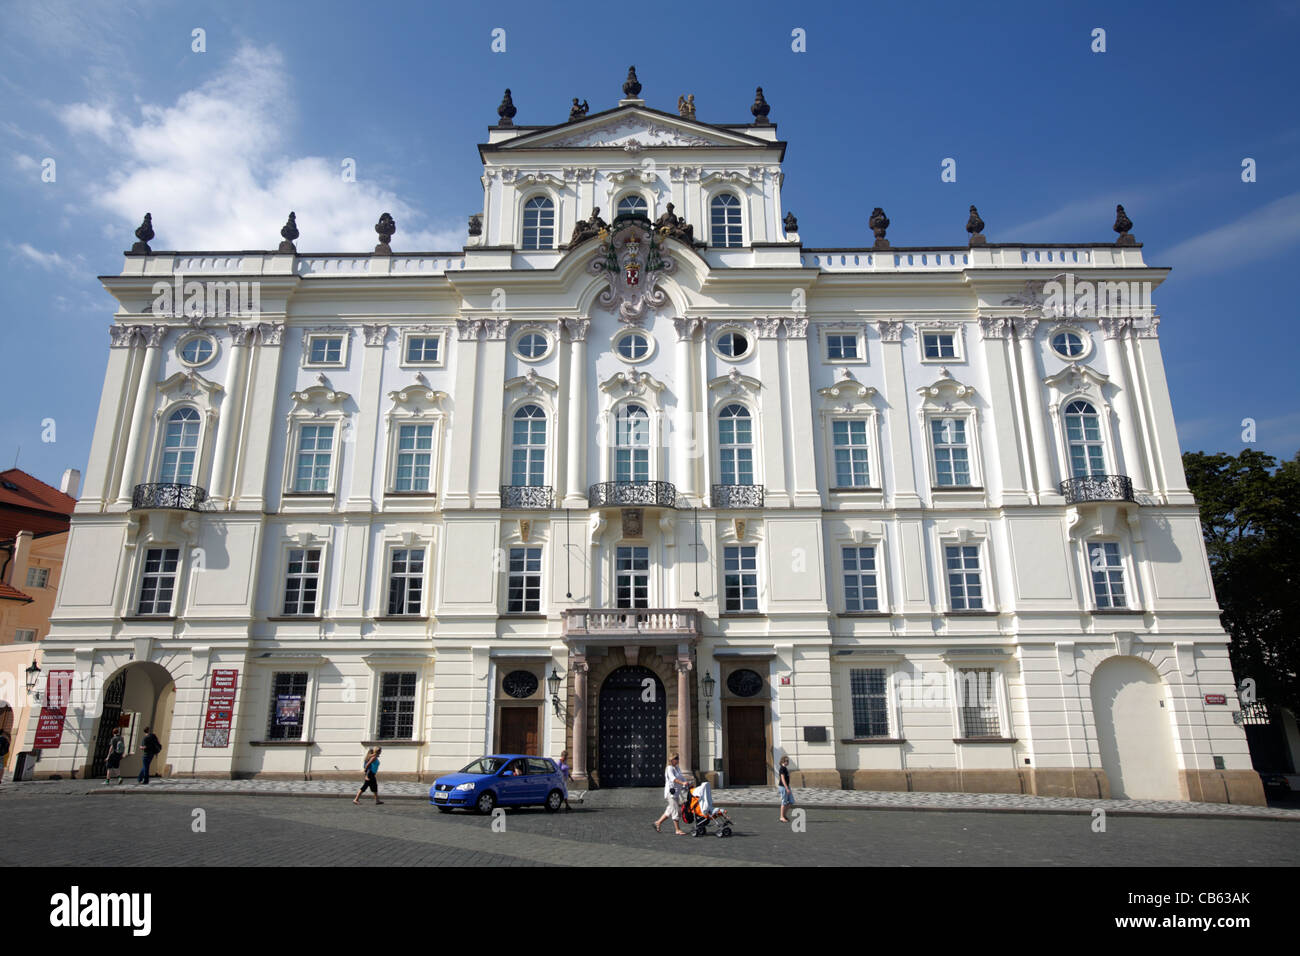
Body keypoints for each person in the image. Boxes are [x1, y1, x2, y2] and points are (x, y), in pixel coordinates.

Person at [653, 753, 689, 835]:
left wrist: (687, 782)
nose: (678, 760)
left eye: (678, 758)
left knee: (670, 810)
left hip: (676, 793)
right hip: (671, 793)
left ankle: (658, 823)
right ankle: (677, 830)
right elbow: (673, 779)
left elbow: (681, 777)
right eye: (676, 758)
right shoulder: (669, 768)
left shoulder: (677, 768)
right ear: (672, 760)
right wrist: (682, 783)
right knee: (675, 810)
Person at [778, 754, 795, 823]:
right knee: (784, 802)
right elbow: (782, 779)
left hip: (787, 787)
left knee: (791, 801)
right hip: (783, 787)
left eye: (788, 761)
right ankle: (781, 817)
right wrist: (786, 788)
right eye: (786, 761)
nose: (787, 762)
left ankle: (784, 815)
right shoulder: (782, 768)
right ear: (783, 761)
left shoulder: (785, 768)